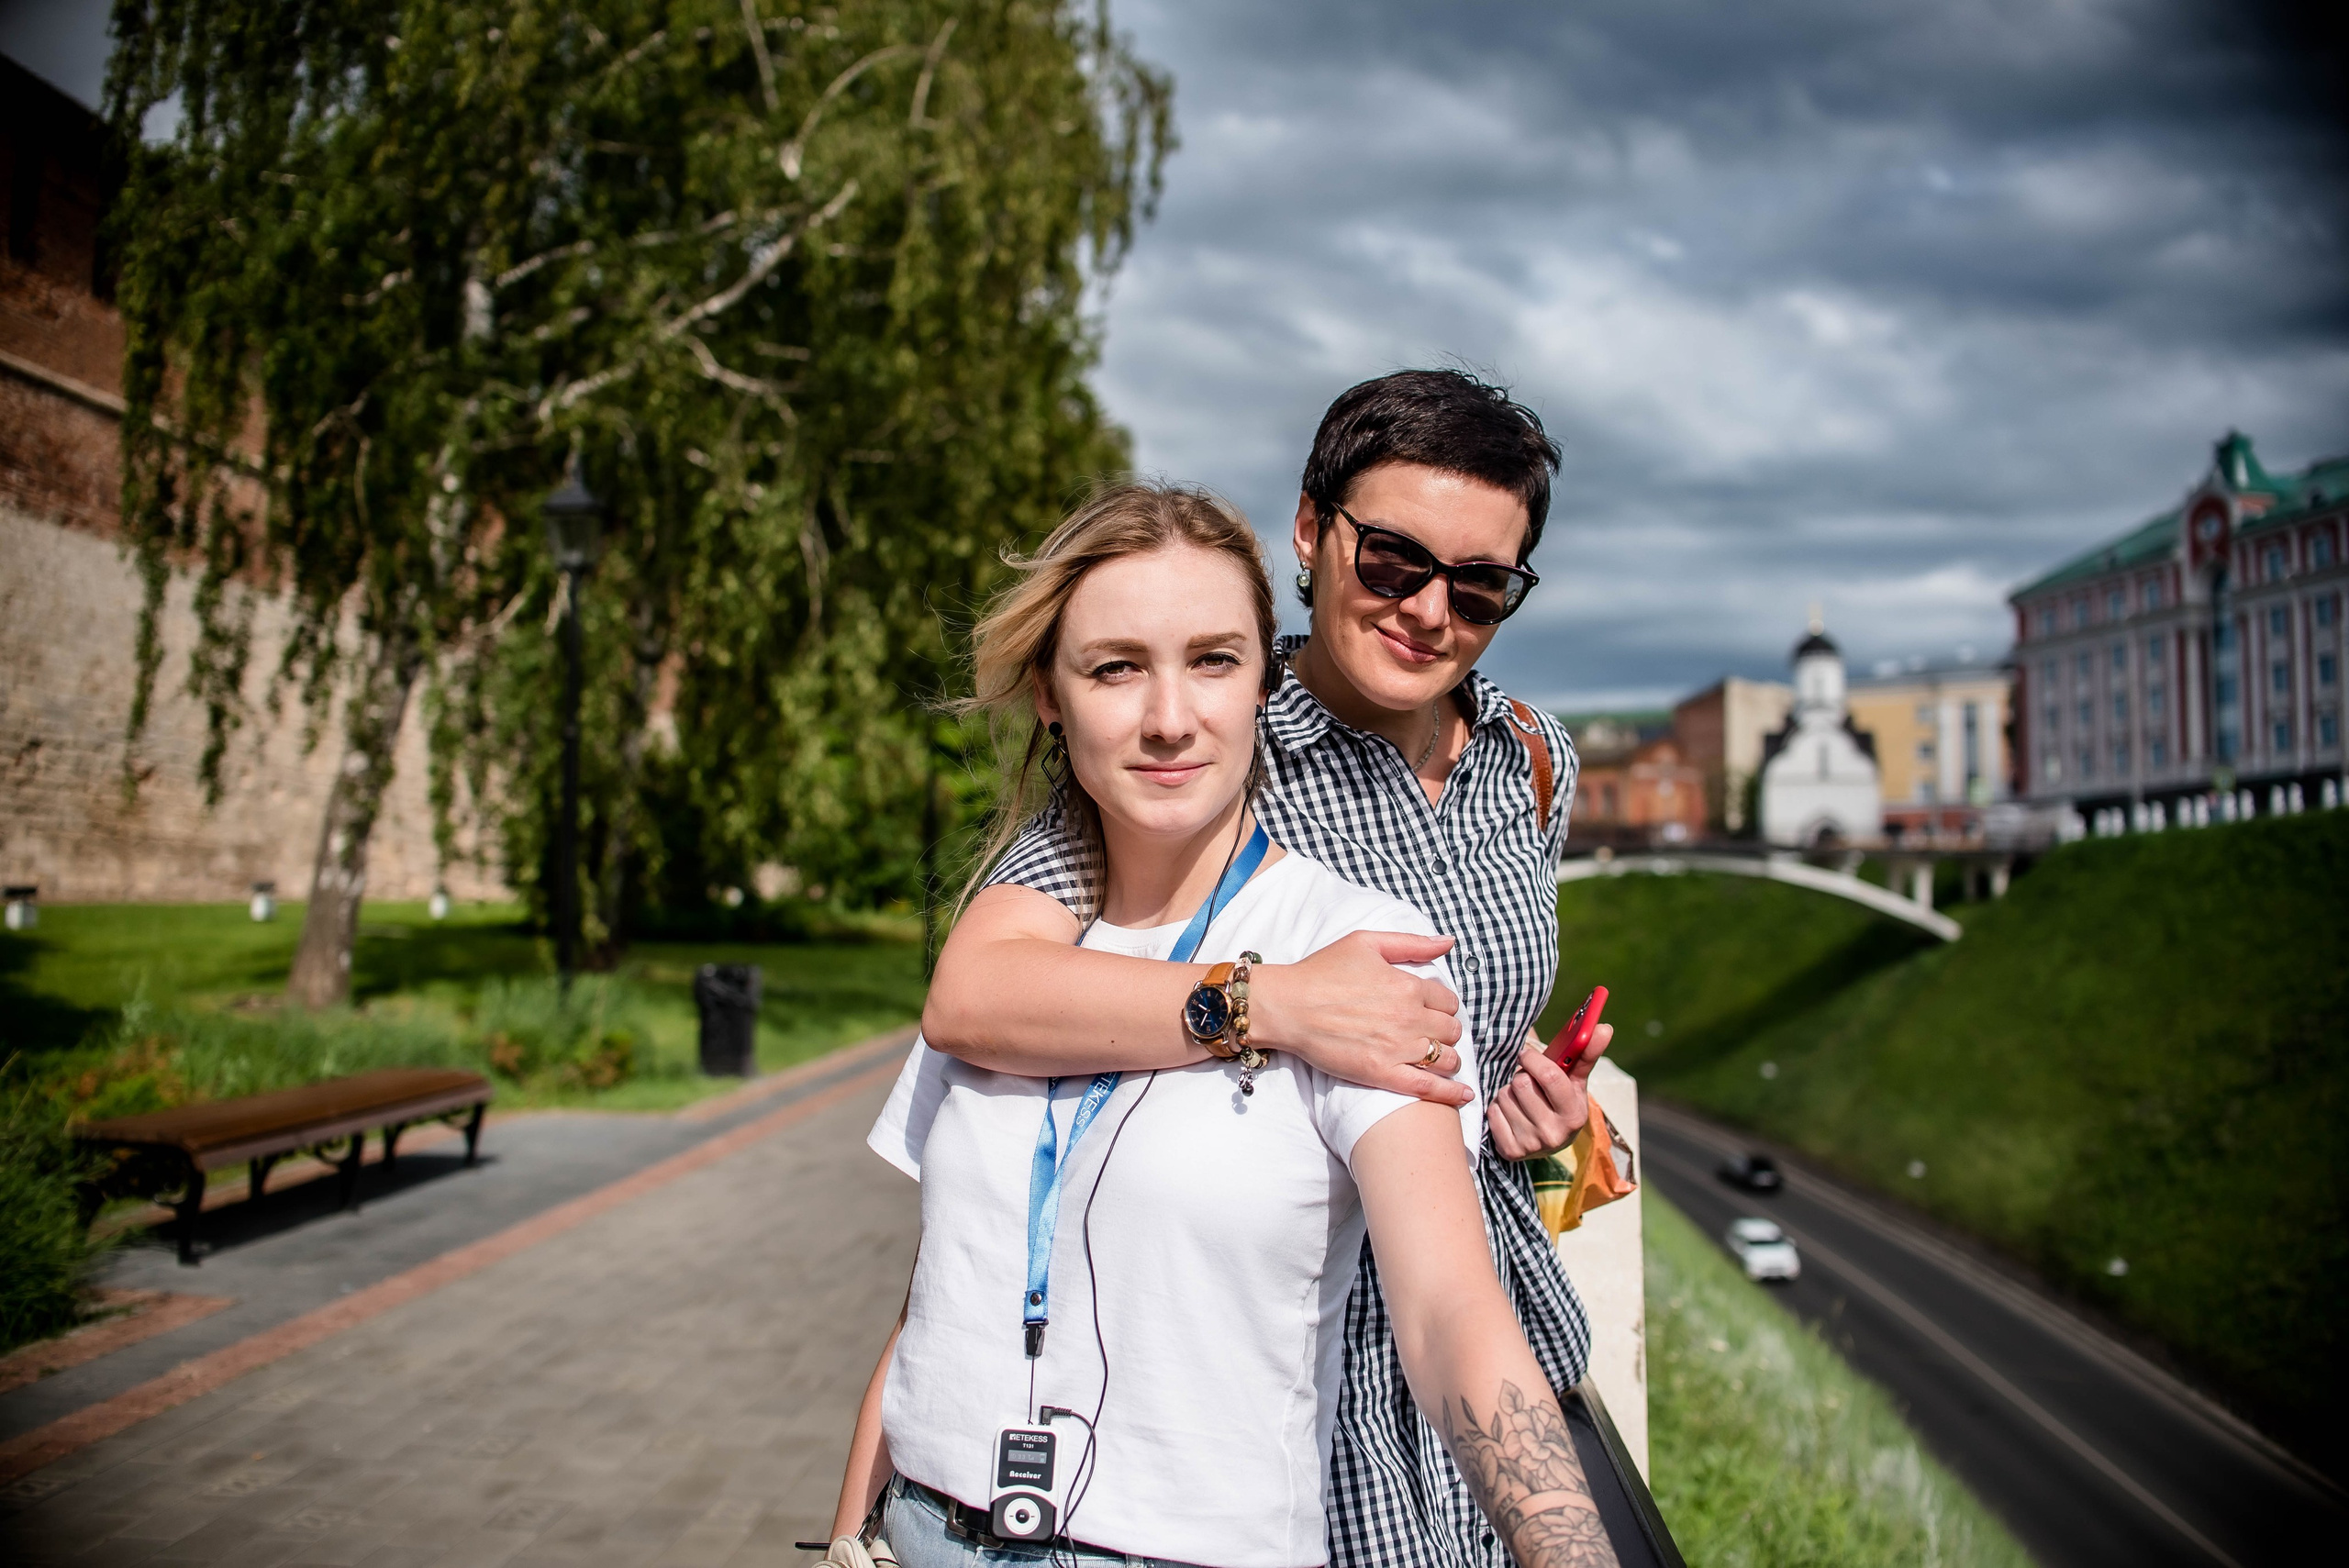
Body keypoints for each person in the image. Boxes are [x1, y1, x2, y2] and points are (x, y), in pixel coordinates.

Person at [829, 484, 1615, 1568]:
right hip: (921, 1530)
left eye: (1212, 660)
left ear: (1262, 684)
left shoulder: (1361, 955)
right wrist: (841, 1538)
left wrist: (1567, 1548)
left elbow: (1449, 1312)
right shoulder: (1025, 958)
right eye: (1114, 666)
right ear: (1051, 695)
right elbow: (938, 1296)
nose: (1167, 716)